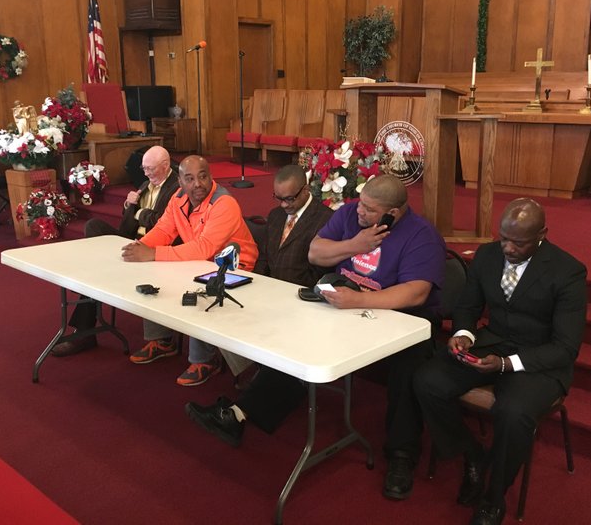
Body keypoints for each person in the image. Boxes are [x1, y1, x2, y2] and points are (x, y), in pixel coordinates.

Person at [414, 198, 587, 525]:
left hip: (539, 358)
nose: (507, 247)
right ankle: (473, 455)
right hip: (493, 341)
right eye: (503, 237)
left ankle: (494, 498)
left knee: (514, 412)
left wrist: (508, 365)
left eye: (518, 242)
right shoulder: (488, 254)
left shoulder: (568, 272)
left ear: (542, 234)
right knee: (427, 380)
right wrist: (464, 333)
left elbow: (565, 347)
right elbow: (468, 305)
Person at [306, 174, 446, 501]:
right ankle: (249, 411)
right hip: (350, 305)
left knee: (409, 368)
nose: (360, 213)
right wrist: (354, 244)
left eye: (370, 210)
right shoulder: (349, 214)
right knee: (301, 330)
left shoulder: (422, 236)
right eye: (361, 202)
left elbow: (416, 293)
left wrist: (362, 300)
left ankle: (401, 454)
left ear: (392, 214)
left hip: (403, 316)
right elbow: (315, 252)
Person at [184, 164, 334, 446]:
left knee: (286, 347)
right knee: (220, 309)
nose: (284, 205)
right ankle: (249, 374)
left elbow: (321, 272)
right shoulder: (276, 215)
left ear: (306, 189)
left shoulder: (326, 219)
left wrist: (294, 301)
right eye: (278, 198)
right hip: (272, 295)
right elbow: (265, 259)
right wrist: (257, 290)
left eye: (290, 198)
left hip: (302, 304)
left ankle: (237, 411)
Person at [121, 155, 259, 386]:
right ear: (180, 183)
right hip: (201, 262)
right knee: (154, 271)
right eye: (190, 178)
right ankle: (163, 341)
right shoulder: (177, 199)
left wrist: (154, 253)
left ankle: (205, 360)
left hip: (236, 268)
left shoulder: (224, 203)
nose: (198, 184)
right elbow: (164, 230)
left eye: (203, 176)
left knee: (201, 288)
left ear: (211, 176)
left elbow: (204, 247)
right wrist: (142, 247)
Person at [51, 146, 180, 357]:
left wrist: (138, 211)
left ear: (165, 167)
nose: (145, 173)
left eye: (150, 169)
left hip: (155, 246)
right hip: (132, 237)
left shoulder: (177, 188)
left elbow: (161, 222)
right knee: (93, 225)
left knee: (96, 274)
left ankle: (84, 330)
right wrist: (128, 205)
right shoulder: (147, 184)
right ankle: (98, 273)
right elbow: (128, 222)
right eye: (144, 168)